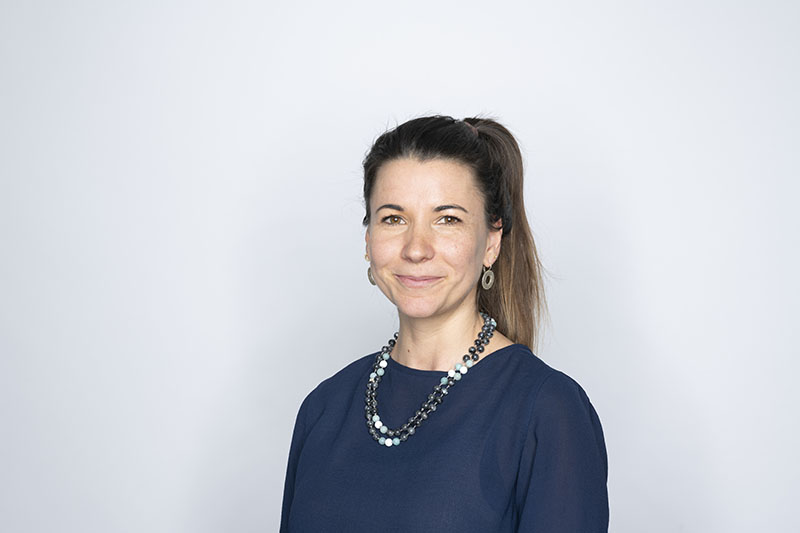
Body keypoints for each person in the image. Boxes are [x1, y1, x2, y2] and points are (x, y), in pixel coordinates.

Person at [280, 116, 609, 532]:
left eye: (447, 219)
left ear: (491, 242)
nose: (416, 249)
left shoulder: (547, 411)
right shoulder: (325, 407)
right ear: (368, 240)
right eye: (393, 218)